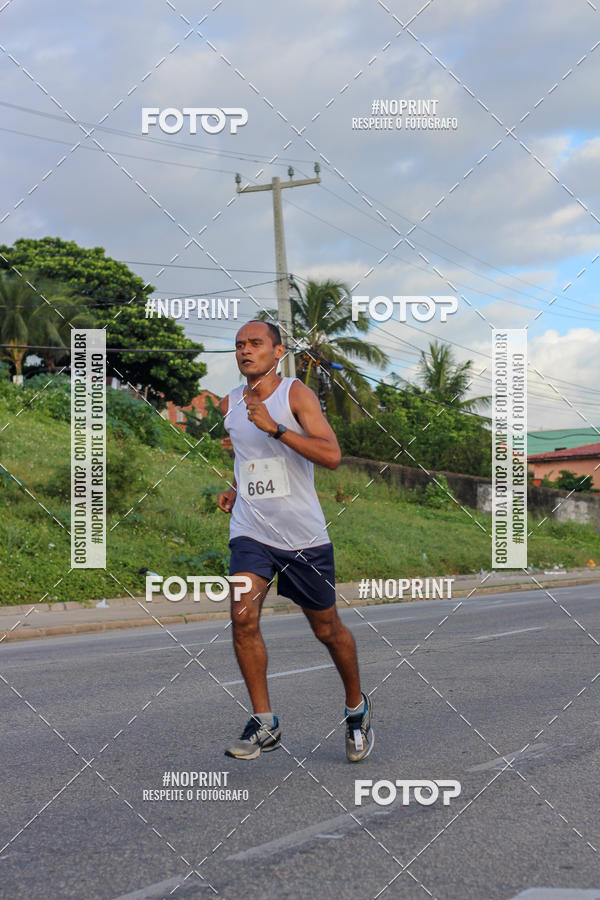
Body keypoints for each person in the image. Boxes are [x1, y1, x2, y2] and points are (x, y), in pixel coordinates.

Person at [217, 320, 374, 763]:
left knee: (327, 630)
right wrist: (236, 487)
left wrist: (277, 429)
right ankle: (265, 722)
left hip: (303, 536)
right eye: (240, 345)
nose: (246, 351)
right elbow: (249, 459)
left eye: (256, 343)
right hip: (251, 531)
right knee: (242, 617)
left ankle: (356, 708)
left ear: (277, 352)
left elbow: (332, 455)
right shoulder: (229, 403)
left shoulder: (295, 395)